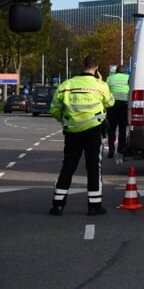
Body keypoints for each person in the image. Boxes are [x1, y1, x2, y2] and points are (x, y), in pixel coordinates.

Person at [48, 55, 114, 216]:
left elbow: (55, 109)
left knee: (68, 167)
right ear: (96, 68)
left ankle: (58, 205)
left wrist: (66, 121)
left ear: (82, 66)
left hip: (72, 133)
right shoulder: (100, 85)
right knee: (93, 168)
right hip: (94, 131)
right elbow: (110, 103)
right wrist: (100, 82)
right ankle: (94, 205)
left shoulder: (66, 85)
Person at [106, 64, 130, 164]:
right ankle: (121, 149)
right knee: (122, 128)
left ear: (116, 71)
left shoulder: (110, 78)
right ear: (124, 71)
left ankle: (111, 149)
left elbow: (106, 91)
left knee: (111, 127)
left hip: (112, 104)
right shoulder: (128, 78)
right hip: (124, 104)